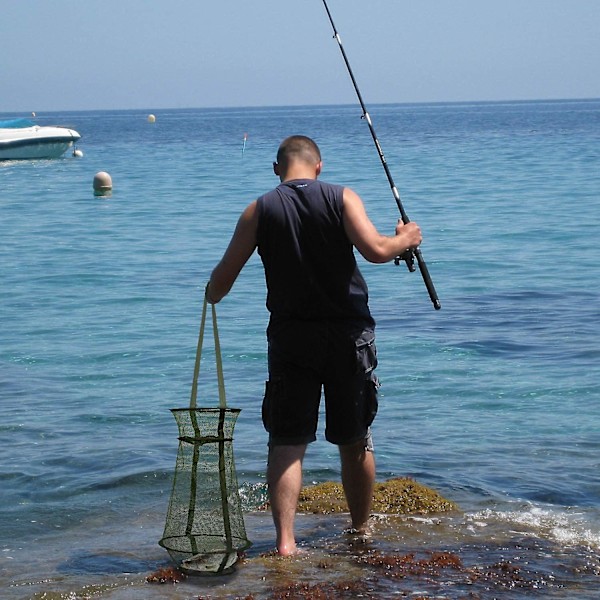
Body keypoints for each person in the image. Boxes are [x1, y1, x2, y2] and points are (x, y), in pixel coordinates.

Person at [207, 135, 422, 556]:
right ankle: (360, 529)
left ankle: (286, 543)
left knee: (287, 441)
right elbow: (378, 250)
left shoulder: (258, 210)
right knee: (354, 437)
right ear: (318, 166)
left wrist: (210, 290)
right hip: (348, 337)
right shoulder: (342, 198)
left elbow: (220, 285)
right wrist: (407, 238)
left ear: (276, 168)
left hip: (291, 339)